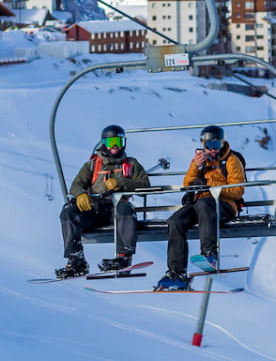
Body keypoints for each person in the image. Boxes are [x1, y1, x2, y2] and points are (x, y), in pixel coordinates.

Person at [155, 125, 245, 291]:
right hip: (200, 204)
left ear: (222, 143)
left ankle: (209, 254)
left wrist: (209, 185)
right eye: (208, 145)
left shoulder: (232, 161)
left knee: (204, 204)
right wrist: (196, 167)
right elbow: (187, 184)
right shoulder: (199, 160)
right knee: (175, 221)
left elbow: (238, 190)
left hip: (224, 205)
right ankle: (177, 273)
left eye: (216, 145)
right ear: (203, 144)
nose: (212, 150)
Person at [56, 125, 150, 278]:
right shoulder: (93, 165)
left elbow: (144, 184)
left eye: (118, 142)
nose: (114, 147)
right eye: (111, 142)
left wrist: (122, 184)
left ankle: (123, 257)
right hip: (95, 210)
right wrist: (80, 194)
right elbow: (76, 185)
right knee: (69, 212)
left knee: (125, 208)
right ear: (103, 143)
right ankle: (76, 259)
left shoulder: (131, 164)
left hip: (116, 210)